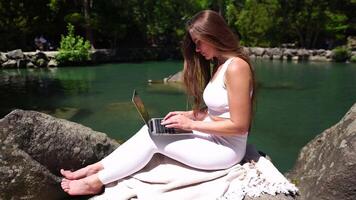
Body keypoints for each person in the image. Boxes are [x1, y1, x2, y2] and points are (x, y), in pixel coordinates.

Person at [60, 10, 255, 196]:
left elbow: (240, 126)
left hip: (226, 150)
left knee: (155, 139)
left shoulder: (237, 66)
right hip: (213, 137)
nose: (197, 49)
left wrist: (191, 125)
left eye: (199, 42)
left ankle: (95, 183)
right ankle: (95, 169)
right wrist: (190, 115)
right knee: (153, 128)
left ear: (213, 35)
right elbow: (218, 112)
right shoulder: (220, 65)